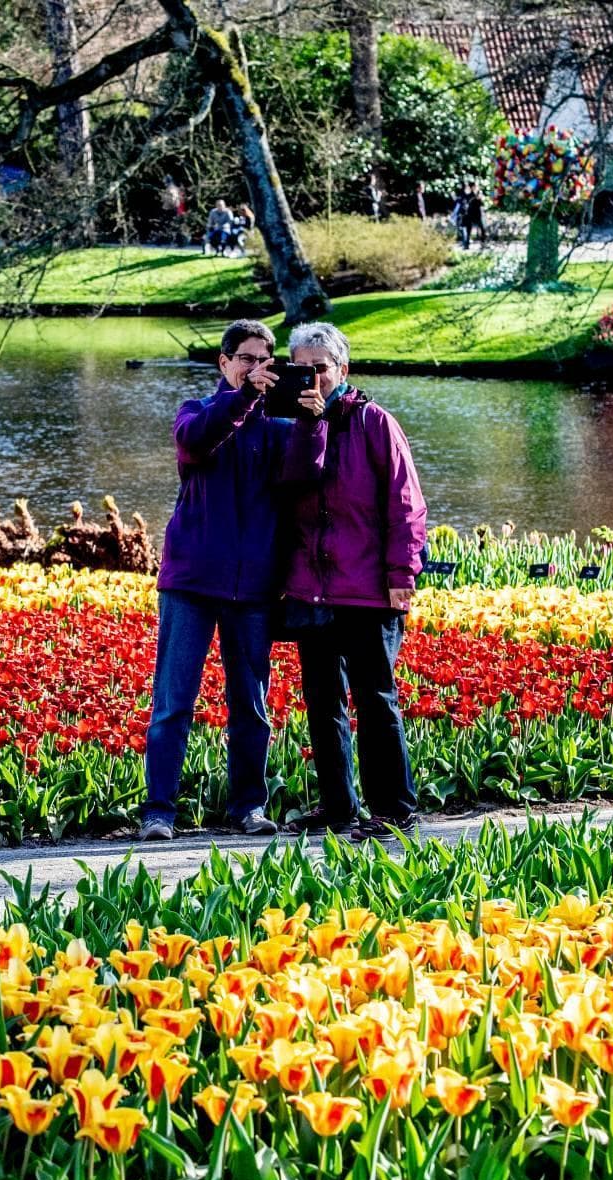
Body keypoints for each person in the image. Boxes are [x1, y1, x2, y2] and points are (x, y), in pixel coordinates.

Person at [139, 319, 316, 842]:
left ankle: (248, 807)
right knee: (174, 701)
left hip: (253, 587)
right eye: (247, 358)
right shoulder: (196, 412)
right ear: (224, 363)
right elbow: (196, 444)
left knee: (251, 704)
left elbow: (305, 477)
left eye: (267, 359)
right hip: (191, 581)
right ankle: (158, 812)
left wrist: (312, 424)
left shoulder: (279, 426)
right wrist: (241, 399)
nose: (258, 367)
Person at [276, 322, 429, 840]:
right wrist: (309, 425)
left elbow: (405, 503)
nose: (313, 377)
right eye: (303, 368)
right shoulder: (292, 423)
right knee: (322, 703)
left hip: (366, 587)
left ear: (343, 369)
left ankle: (394, 808)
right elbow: (292, 487)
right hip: (311, 588)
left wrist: (402, 573)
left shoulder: (374, 422)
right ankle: (340, 808)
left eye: (321, 367)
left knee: (376, 698)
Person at [458, 181, 487, 249]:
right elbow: (466, 203)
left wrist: (480, 198)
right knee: (468, 230)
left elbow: (481, 204)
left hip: (477, 214)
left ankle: (483, 243)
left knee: (482, 229)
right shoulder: (468, 195)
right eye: (475, 186)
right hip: (470, 214)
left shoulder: (478, 194)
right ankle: (466, 244)